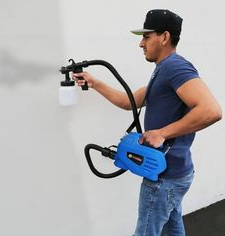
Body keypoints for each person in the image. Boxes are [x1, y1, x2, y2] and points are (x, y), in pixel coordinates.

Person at [73, 9, 222, 236]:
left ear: (164, 37)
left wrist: (162, 132)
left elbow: (211, 110)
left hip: (165, 177)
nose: (141, 43)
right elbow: (127, 101)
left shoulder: (175, 67)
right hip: (175, 172)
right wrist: (94, 82)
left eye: (146, 36)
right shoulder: (162, 71)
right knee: (173, 227)